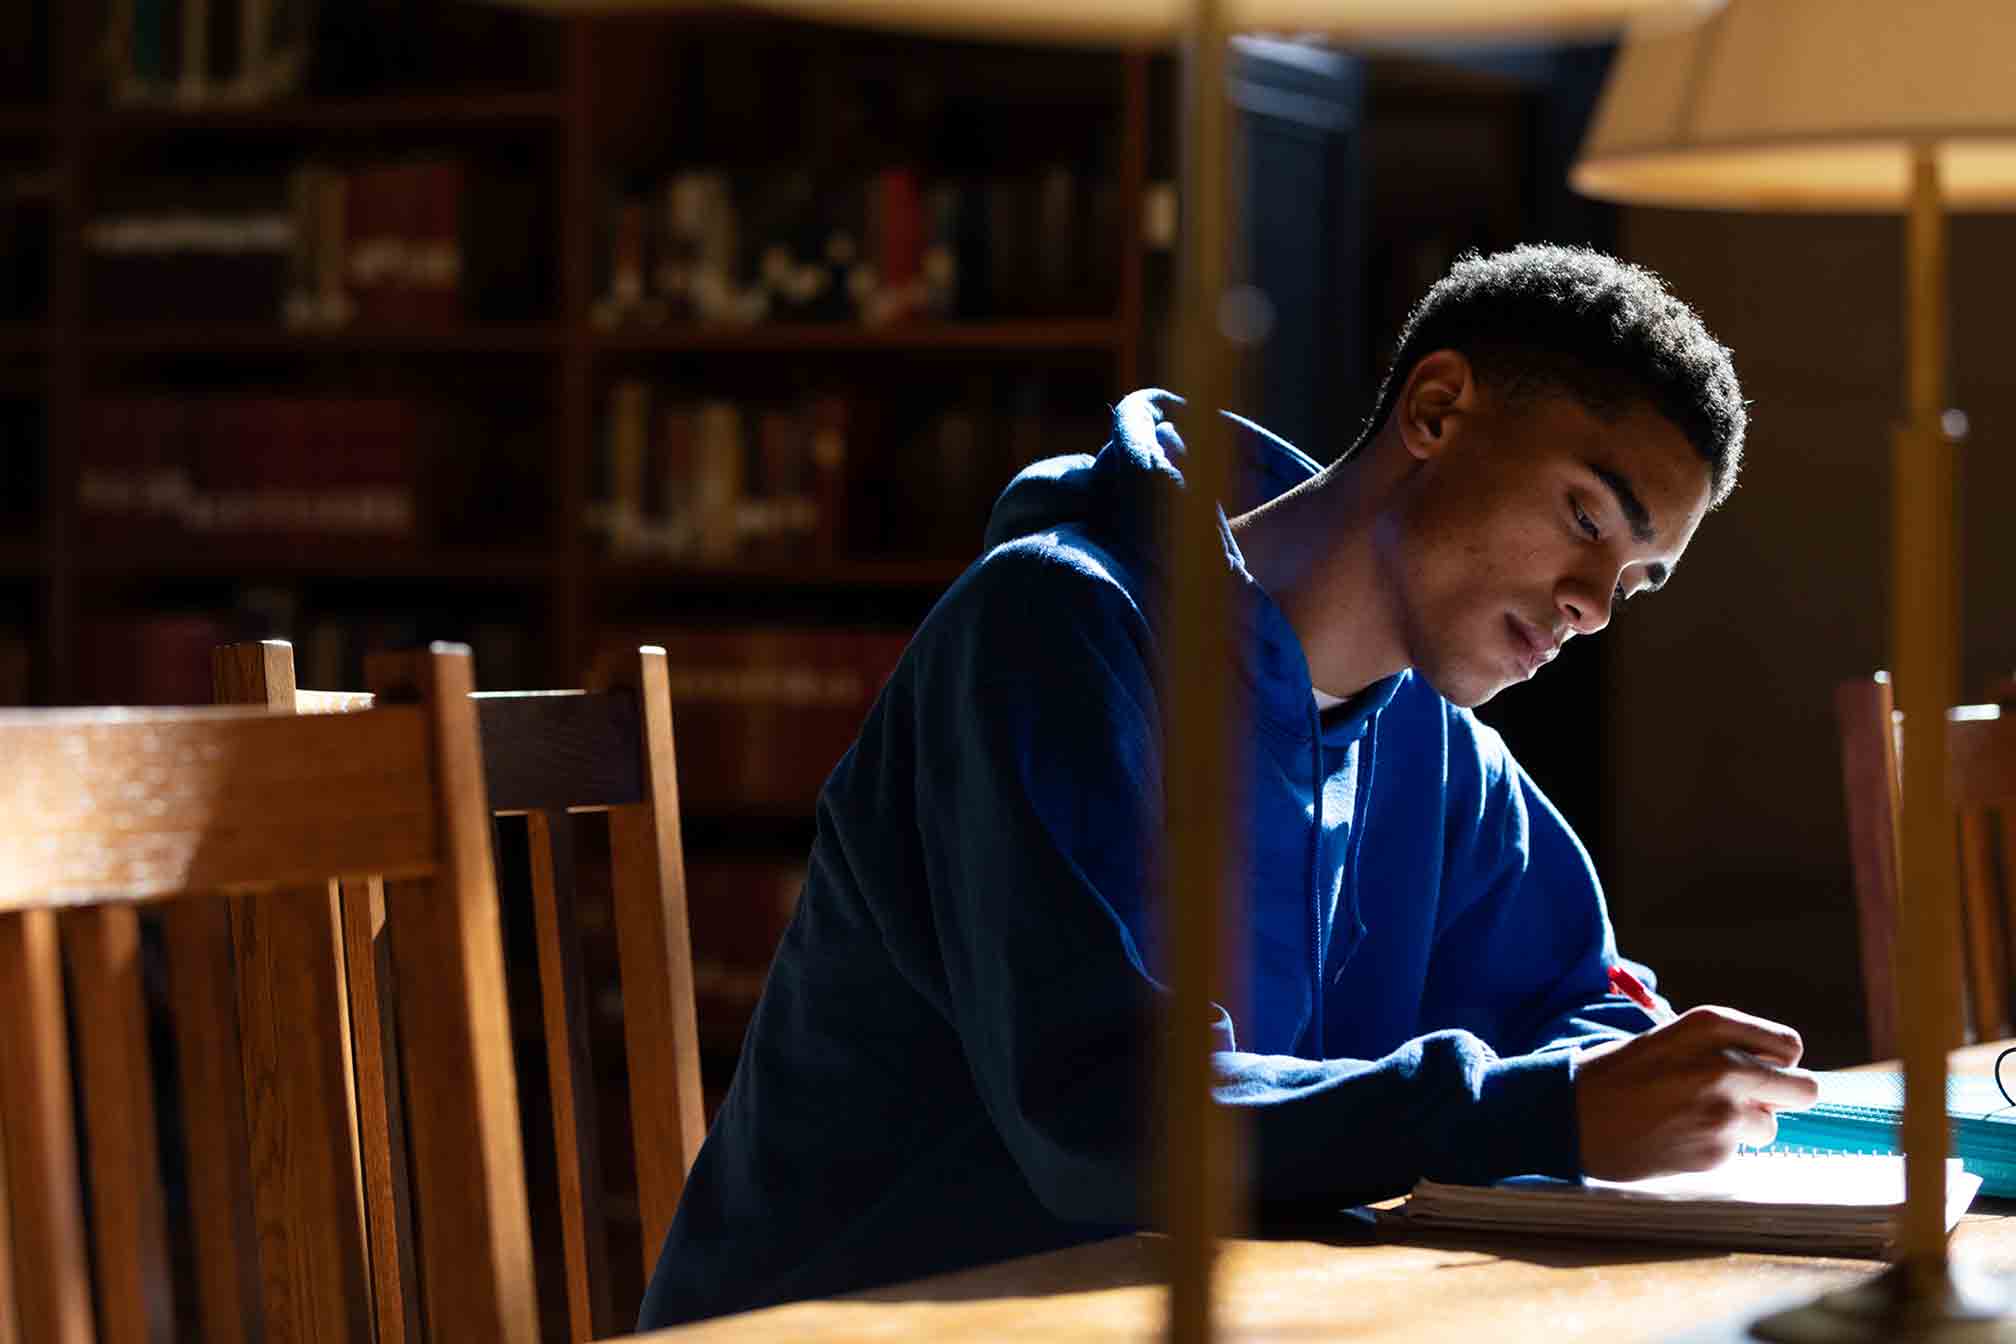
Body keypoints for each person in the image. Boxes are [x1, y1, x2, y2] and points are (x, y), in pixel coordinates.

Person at [636, 243, 1821, 1329]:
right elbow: (1106, 1113)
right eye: (1584, 517)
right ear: (1438, 408)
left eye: (1639, 578)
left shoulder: (1443, 756)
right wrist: (1540, 1113)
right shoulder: (1056, 630)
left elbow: (1578, 1014)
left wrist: (1641, 1087)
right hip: (853, 1317)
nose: (1593, 604)